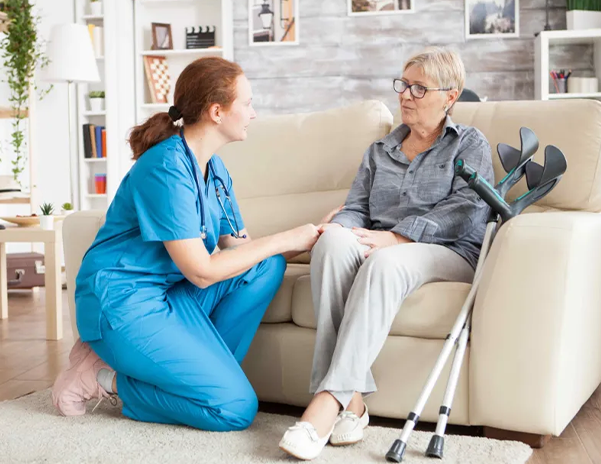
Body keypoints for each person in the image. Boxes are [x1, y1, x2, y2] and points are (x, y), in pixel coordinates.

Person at [52, 57, 321, 432]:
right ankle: (101, 378)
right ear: (216, 111)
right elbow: (202, 271)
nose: (253, 113)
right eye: (246, 103)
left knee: (266, 266)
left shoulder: (216, 169)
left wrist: (315, 236)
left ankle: (199, 382)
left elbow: (242, 249)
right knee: (235, 409)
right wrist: (287, 237)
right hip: (121, 302)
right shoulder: (165, 167)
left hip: (167, 296)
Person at [279, 47, 494, 460]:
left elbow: (466, 210)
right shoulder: (380, 151)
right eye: (403, 84)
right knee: (334, 242)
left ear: (450, 96)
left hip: (447, 252)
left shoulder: (468, 143)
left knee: (382, 261)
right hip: (380, 243)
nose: (406, 95)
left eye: (418, 87)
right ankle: (354, 401)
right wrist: (338, 227)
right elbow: (357, 207)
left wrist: (397, 238)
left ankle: (323, 408)